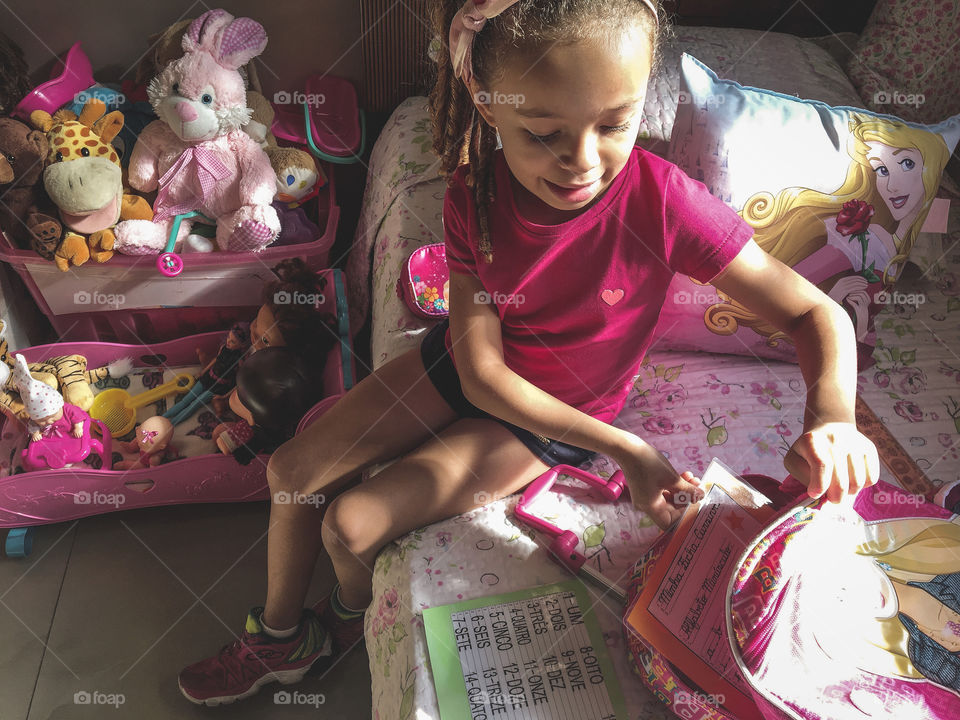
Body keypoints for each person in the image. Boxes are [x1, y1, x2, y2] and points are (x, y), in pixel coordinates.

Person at [177, 0, 880, 706]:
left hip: (551, 417)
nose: (582, 161)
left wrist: (832, 416)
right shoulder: (473, 196)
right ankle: (281, 638)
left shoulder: (664, 204)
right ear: (488, 104)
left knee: (349, 527)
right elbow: (479, 372)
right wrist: (630, 451)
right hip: (467, 370)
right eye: (544, 134)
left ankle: (350, 614)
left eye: (614, 124)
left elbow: (816, 313)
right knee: (293, 469)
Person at [703, 115, 950, 350]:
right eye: (882, 170)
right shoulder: (862, 239)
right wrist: (834, 296)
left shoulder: (928, 229)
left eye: (907, 164)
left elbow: (859, 349)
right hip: (815, 339)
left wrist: (862, 315)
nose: (892, 186)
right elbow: (774, 294)